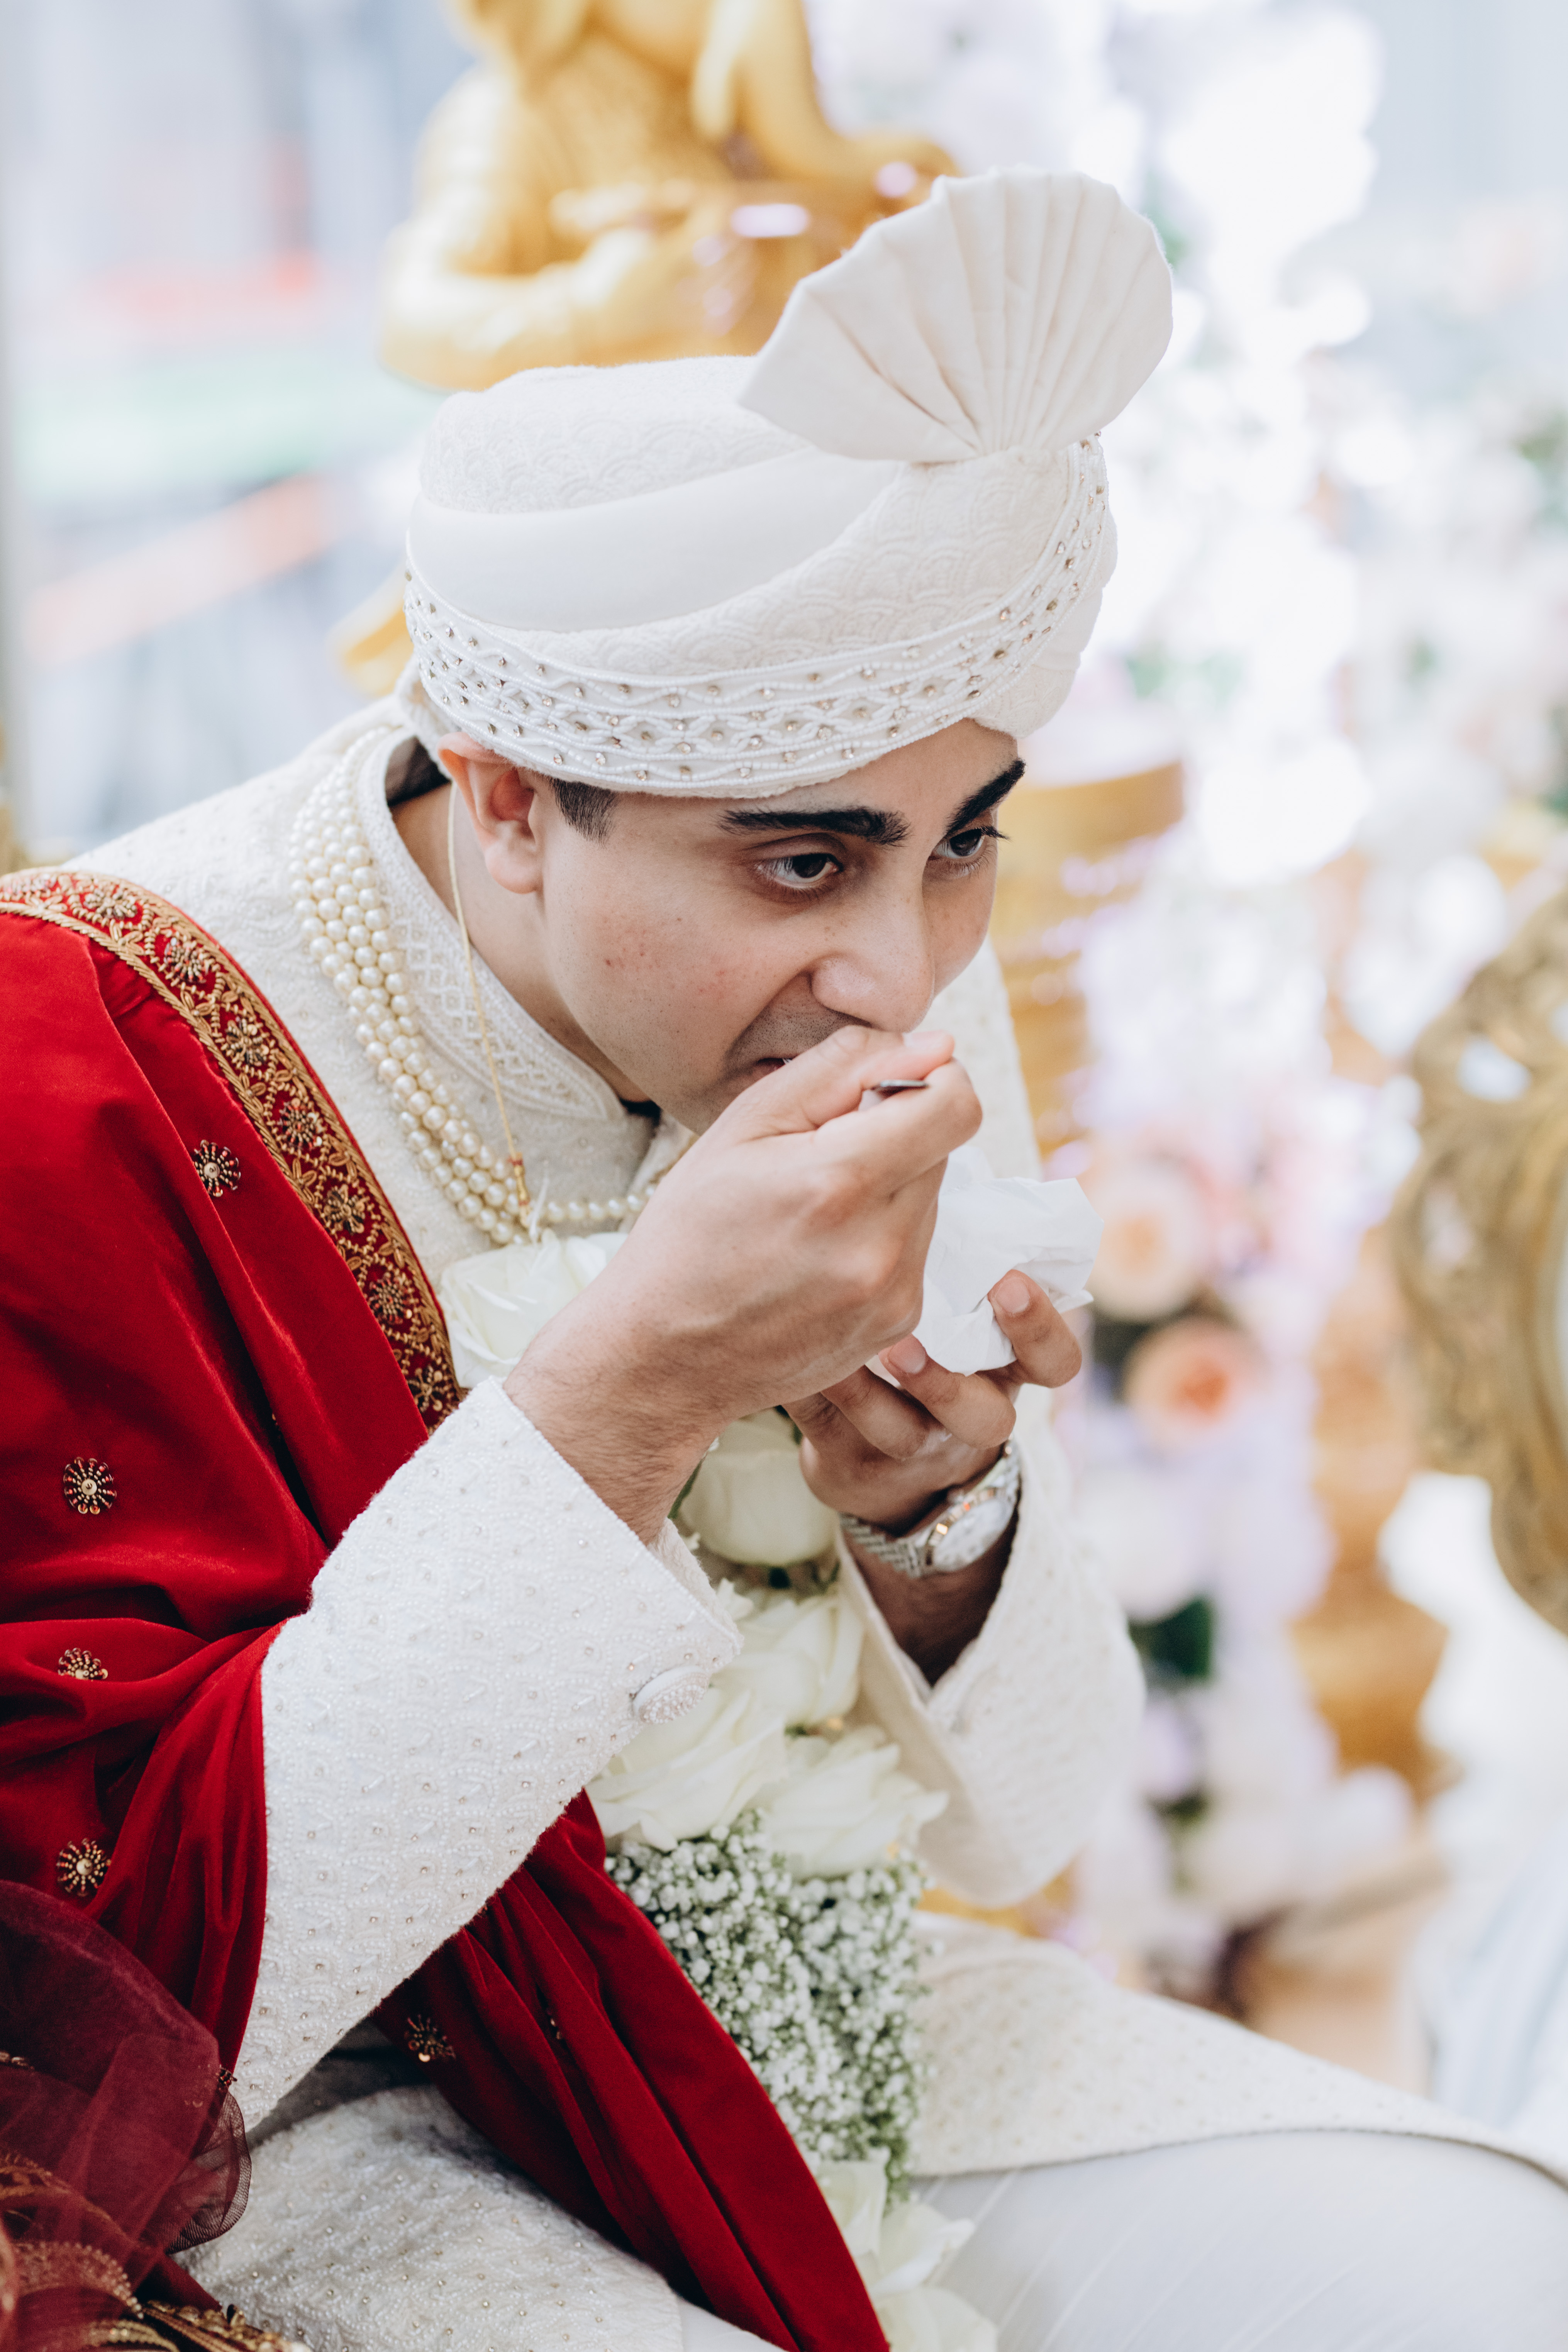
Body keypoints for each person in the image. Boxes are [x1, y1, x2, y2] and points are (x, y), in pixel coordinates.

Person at [3, 170, 1565, 2352]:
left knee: (1491, 2283)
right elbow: (138, 2026)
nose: (902, 973)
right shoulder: (85, 1063)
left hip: (826, 2007)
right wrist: (632, 1395)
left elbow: (1026, 1824)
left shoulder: (870, 972)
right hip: (348, 2125)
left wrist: (945, 1519)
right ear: (510, 795)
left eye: (966, 843)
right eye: (808, 862)